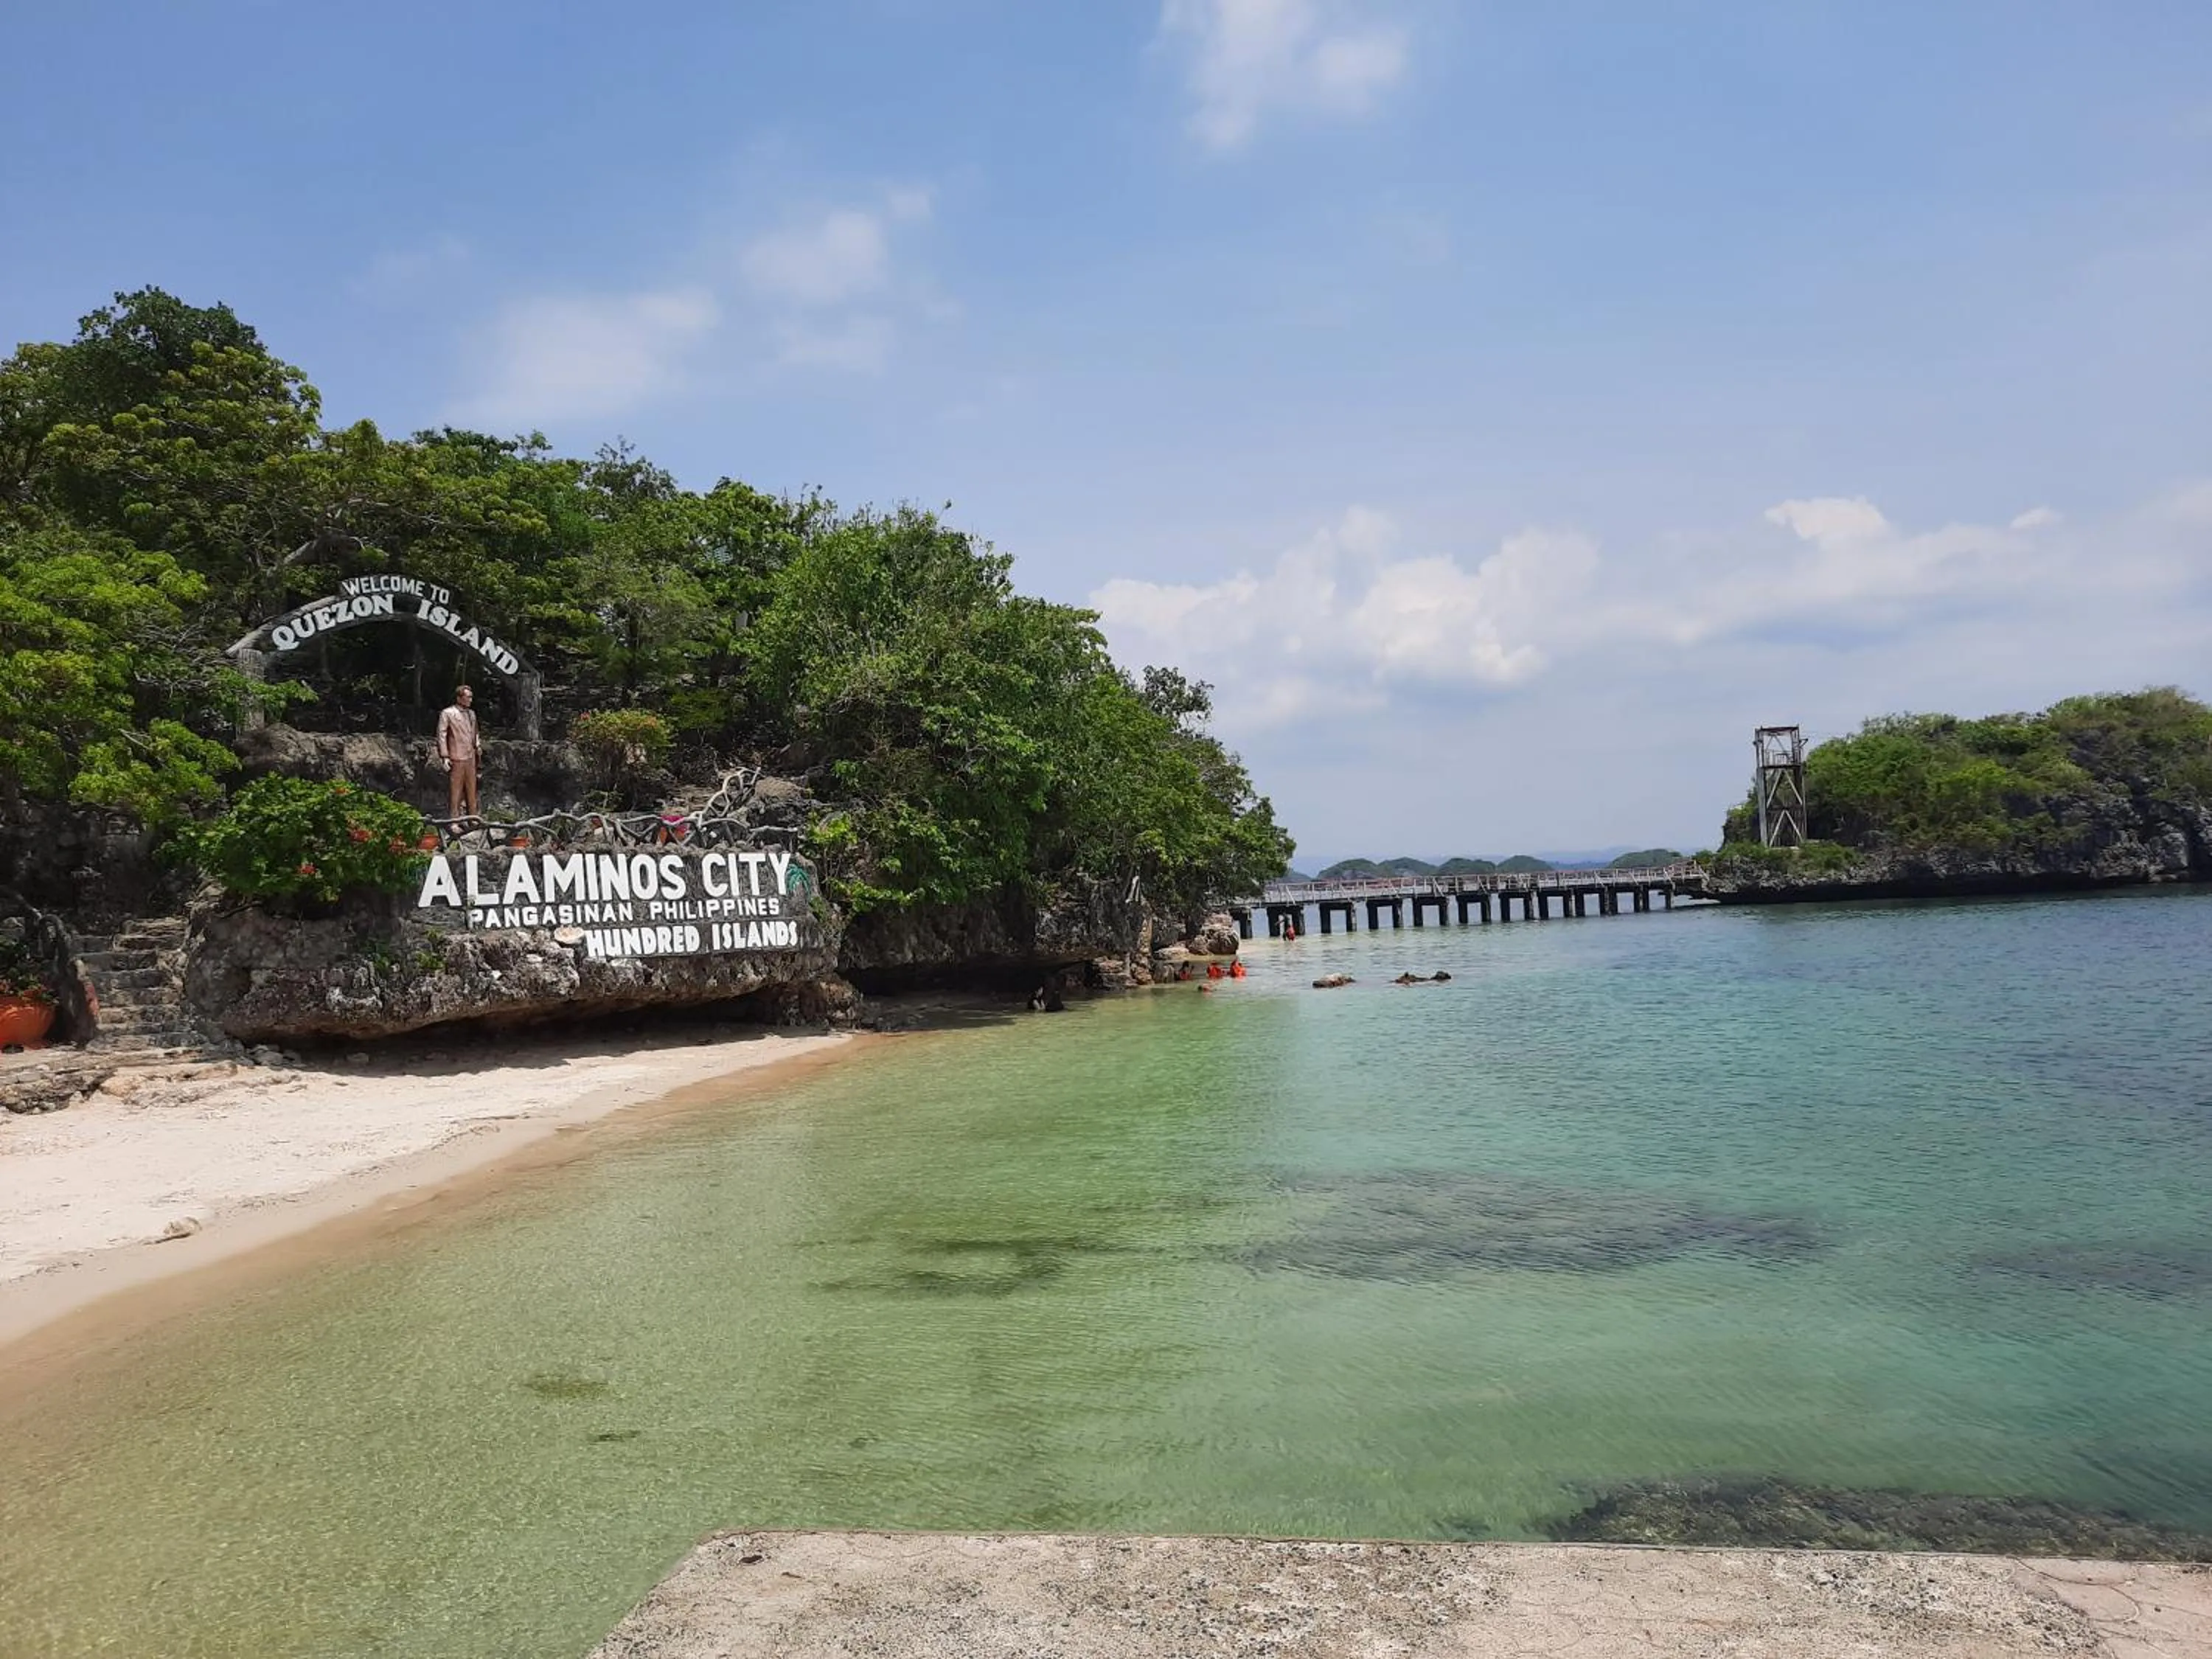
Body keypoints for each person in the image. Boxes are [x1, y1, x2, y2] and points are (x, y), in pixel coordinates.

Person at [436, 684, 484, 820]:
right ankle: (454, 820)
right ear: (459, 698)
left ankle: (473, 818)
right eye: (468, 697)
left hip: (471, 756)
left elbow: (475, 732)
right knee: (455, 791)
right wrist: (445, 756)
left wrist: (478, 745)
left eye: (471, 697)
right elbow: (442, 735)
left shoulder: (471, 714)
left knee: (471, 790)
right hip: (456, 756)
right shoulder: (448, 713)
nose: (470, 700)